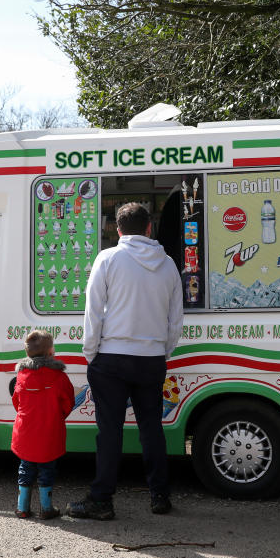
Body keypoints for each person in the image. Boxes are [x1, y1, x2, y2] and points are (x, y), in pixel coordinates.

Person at [69, 202, 184, 520]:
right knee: (151, 429)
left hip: (111, 359)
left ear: (117, 230)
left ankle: (102, 500)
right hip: (151, 360)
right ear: (150, 228)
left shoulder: (108, 258)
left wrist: (91, 353)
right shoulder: (168, 265)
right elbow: (176, 320)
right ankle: (160, 496)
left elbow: (92, 312)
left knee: (110, 431)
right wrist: (163, 351)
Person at [11, 329, 74, 519]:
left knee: (25, 468)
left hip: (26, 432)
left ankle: (22, 507)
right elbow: (68, 402)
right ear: (51, 352)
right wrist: (56, 416)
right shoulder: (59, 377)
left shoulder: (21, 376)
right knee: (47, 470)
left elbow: (16, 402)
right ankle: (46, 509)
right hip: (50, 432)